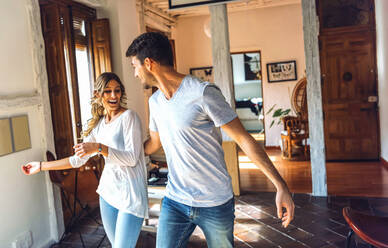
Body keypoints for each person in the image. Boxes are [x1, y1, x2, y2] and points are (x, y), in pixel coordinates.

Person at [126, 32, 295, 248]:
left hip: (215, 202)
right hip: (175, 200)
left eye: (134, 66)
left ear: (148, 63)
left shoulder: (202, 93)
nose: (135, 73)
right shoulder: (156, 101)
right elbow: (153, 144)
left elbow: (243, 139)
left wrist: (280, 185)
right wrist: (120, 153)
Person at [21, 72, 148, 248]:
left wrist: (99, 148)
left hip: (131, 197)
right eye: (108, 91)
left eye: (117, 91)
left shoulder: (129, 118)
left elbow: (132, 159)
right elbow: (76, 161)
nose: (113, 95)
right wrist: (41, 166)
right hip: (108, 195)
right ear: (98, 94)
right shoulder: (99, 125)